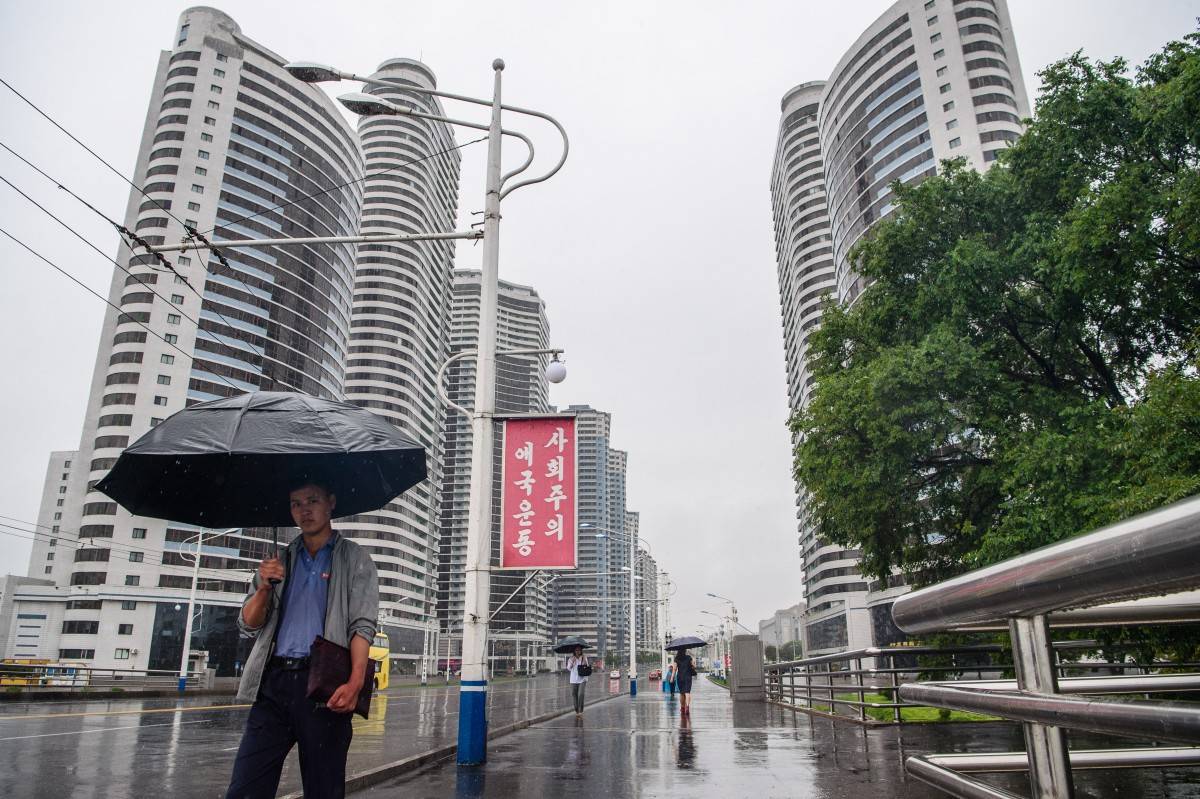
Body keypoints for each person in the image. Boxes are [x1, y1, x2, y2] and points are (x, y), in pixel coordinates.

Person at [224, 480, 380, 799]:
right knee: (245, 788)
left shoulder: (354, 559)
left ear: (331, 502)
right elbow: (248, 624)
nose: (304, 510)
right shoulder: (278, 562)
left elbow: (361, 626)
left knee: (323, 789)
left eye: (312, 500)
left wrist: (354, 683)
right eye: (296, 503)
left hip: (324, 687)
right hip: (274, 685)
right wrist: (265, 586)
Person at [566, 645, 591, 716]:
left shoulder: (583, 657)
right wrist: (572, 662)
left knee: (581, 694)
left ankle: (580, 710)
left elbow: (586, 666)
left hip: (582, 679)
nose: (578, 651)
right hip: (573, 680)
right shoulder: (571, 659)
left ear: (581, 651)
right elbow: (568, 668)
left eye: (579, 650)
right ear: (574, 651)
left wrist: (584, 662)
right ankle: (576, 710)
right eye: (576, 650)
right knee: (574, 695)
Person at [674, 649, 696, 714]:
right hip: (688, 677)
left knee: (681, 693)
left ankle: (682, 708)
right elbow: (694, 667)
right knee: (687, 692)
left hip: (680, 677)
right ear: (685, 651)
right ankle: (687, 706)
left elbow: (674, 669)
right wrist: (693, 663)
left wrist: (672, 678)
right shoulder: (689, 657)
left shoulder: (676, 658)